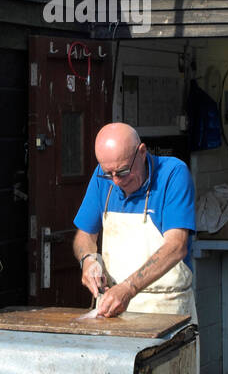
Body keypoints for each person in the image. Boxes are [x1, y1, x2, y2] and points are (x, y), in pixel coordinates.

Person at [72, 122, 197, 325]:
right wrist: (88, 259)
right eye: (108, 173)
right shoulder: (101, 176)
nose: (116, 181)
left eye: (122, 172)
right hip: (111, 307)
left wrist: (129, 288)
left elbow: (177, 246)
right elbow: (84, 235)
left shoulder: (173, 173)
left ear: (142, 152)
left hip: (166, 308)